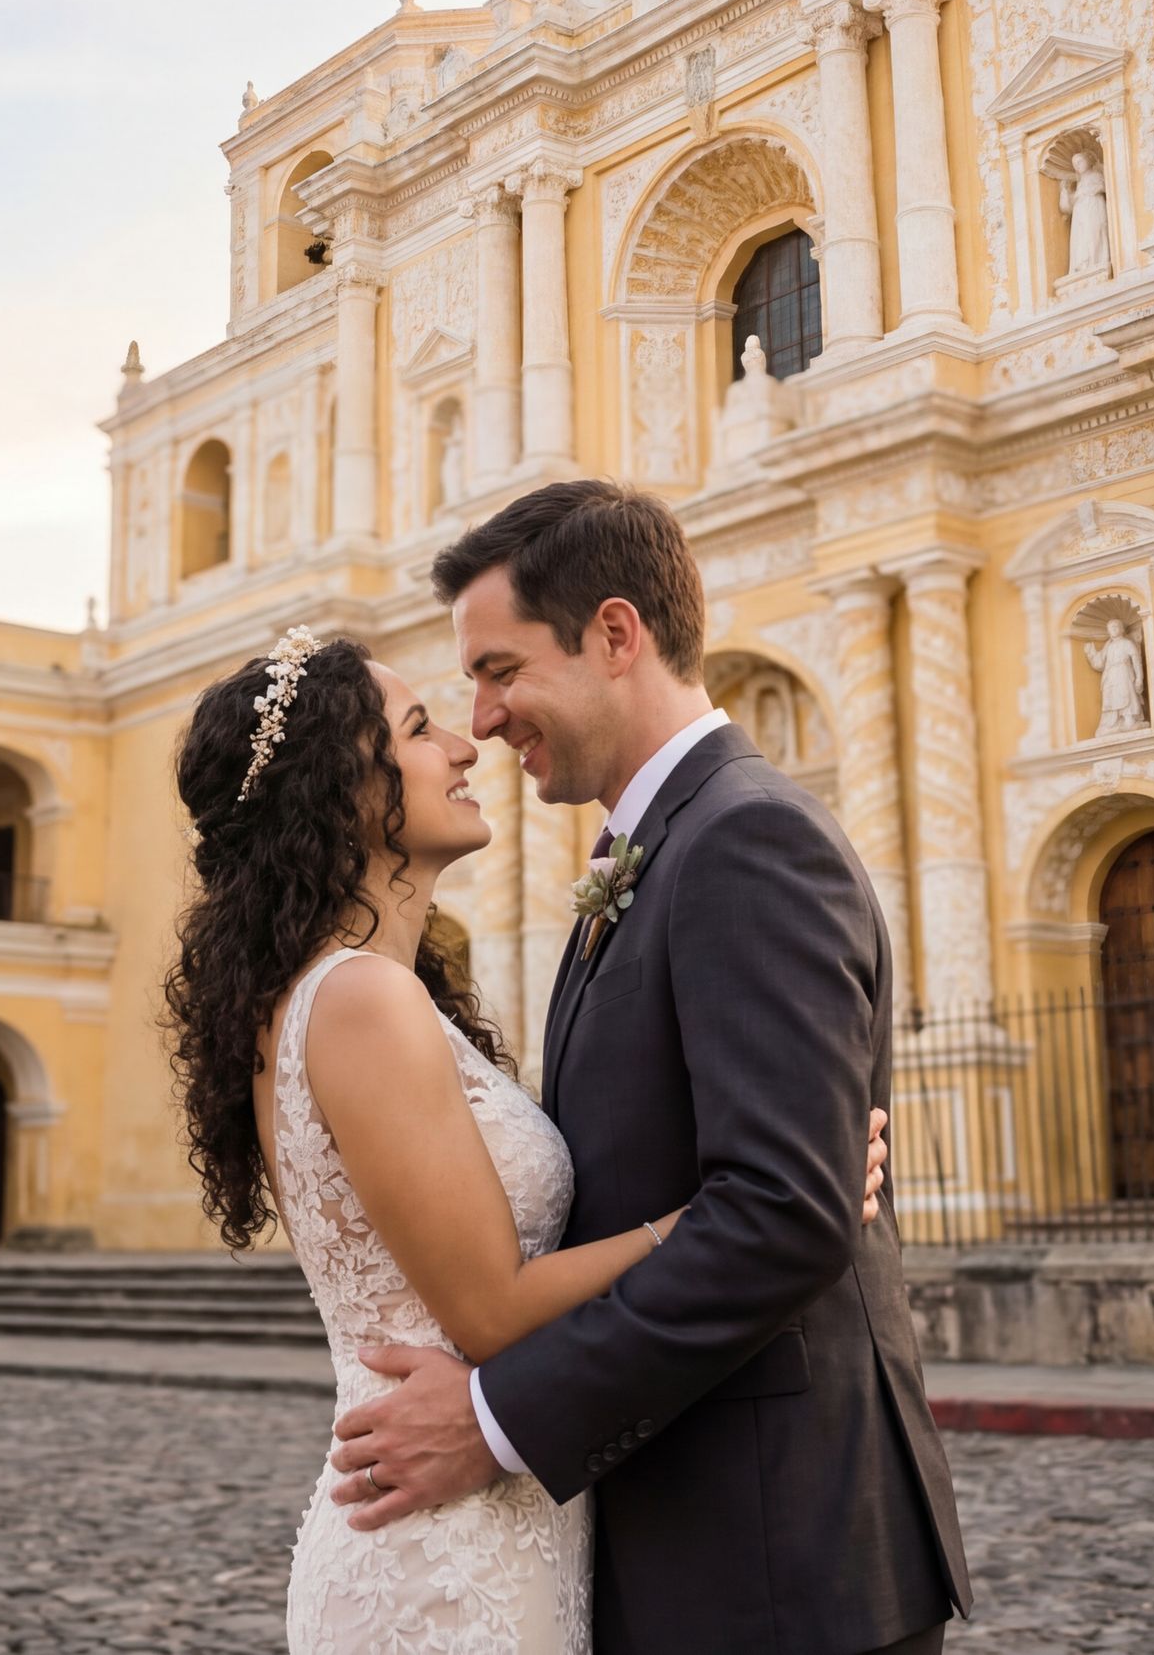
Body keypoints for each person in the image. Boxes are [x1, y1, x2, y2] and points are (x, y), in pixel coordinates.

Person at [164, 617, 895, 1653]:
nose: (466, 743)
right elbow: (495, 1309)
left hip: (496, 1513)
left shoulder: (358, 992)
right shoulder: (363, 998)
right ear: (347, 794)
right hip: (441, 1549)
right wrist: (721, 1212)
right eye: (420, 729)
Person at [328, 478, 968, 1652]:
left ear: (615, 635)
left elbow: (781, 1213)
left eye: (502, 669)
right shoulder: (656, 847)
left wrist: (496, 1419)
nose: (483, 715)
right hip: (687, 1534)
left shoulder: (746, 839)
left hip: (773, 1555)